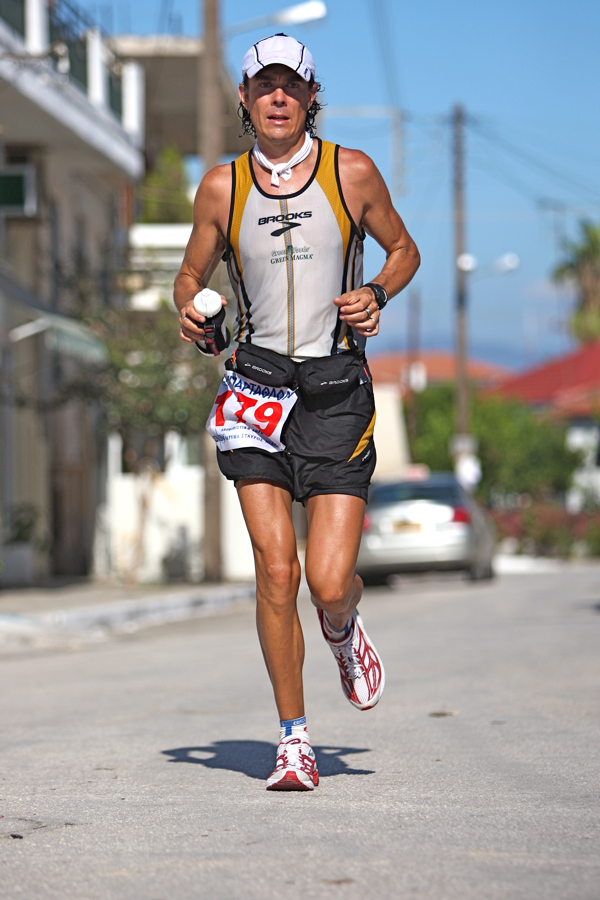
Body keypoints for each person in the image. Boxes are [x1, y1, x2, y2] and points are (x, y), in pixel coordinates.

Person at [174, 34, 420, 791]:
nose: (277, 97)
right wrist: (194, 313)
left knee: (327, 579)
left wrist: (376, 293)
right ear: (244, 99)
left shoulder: (353, 172)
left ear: (312, 97)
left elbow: (404, 250)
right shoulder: (222, 187)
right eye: (263, 85)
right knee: (276, 570)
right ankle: (293, 740)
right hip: (255, 388)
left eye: (291, 85)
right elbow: (189, 276)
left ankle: (342, 626)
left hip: (336, 390)